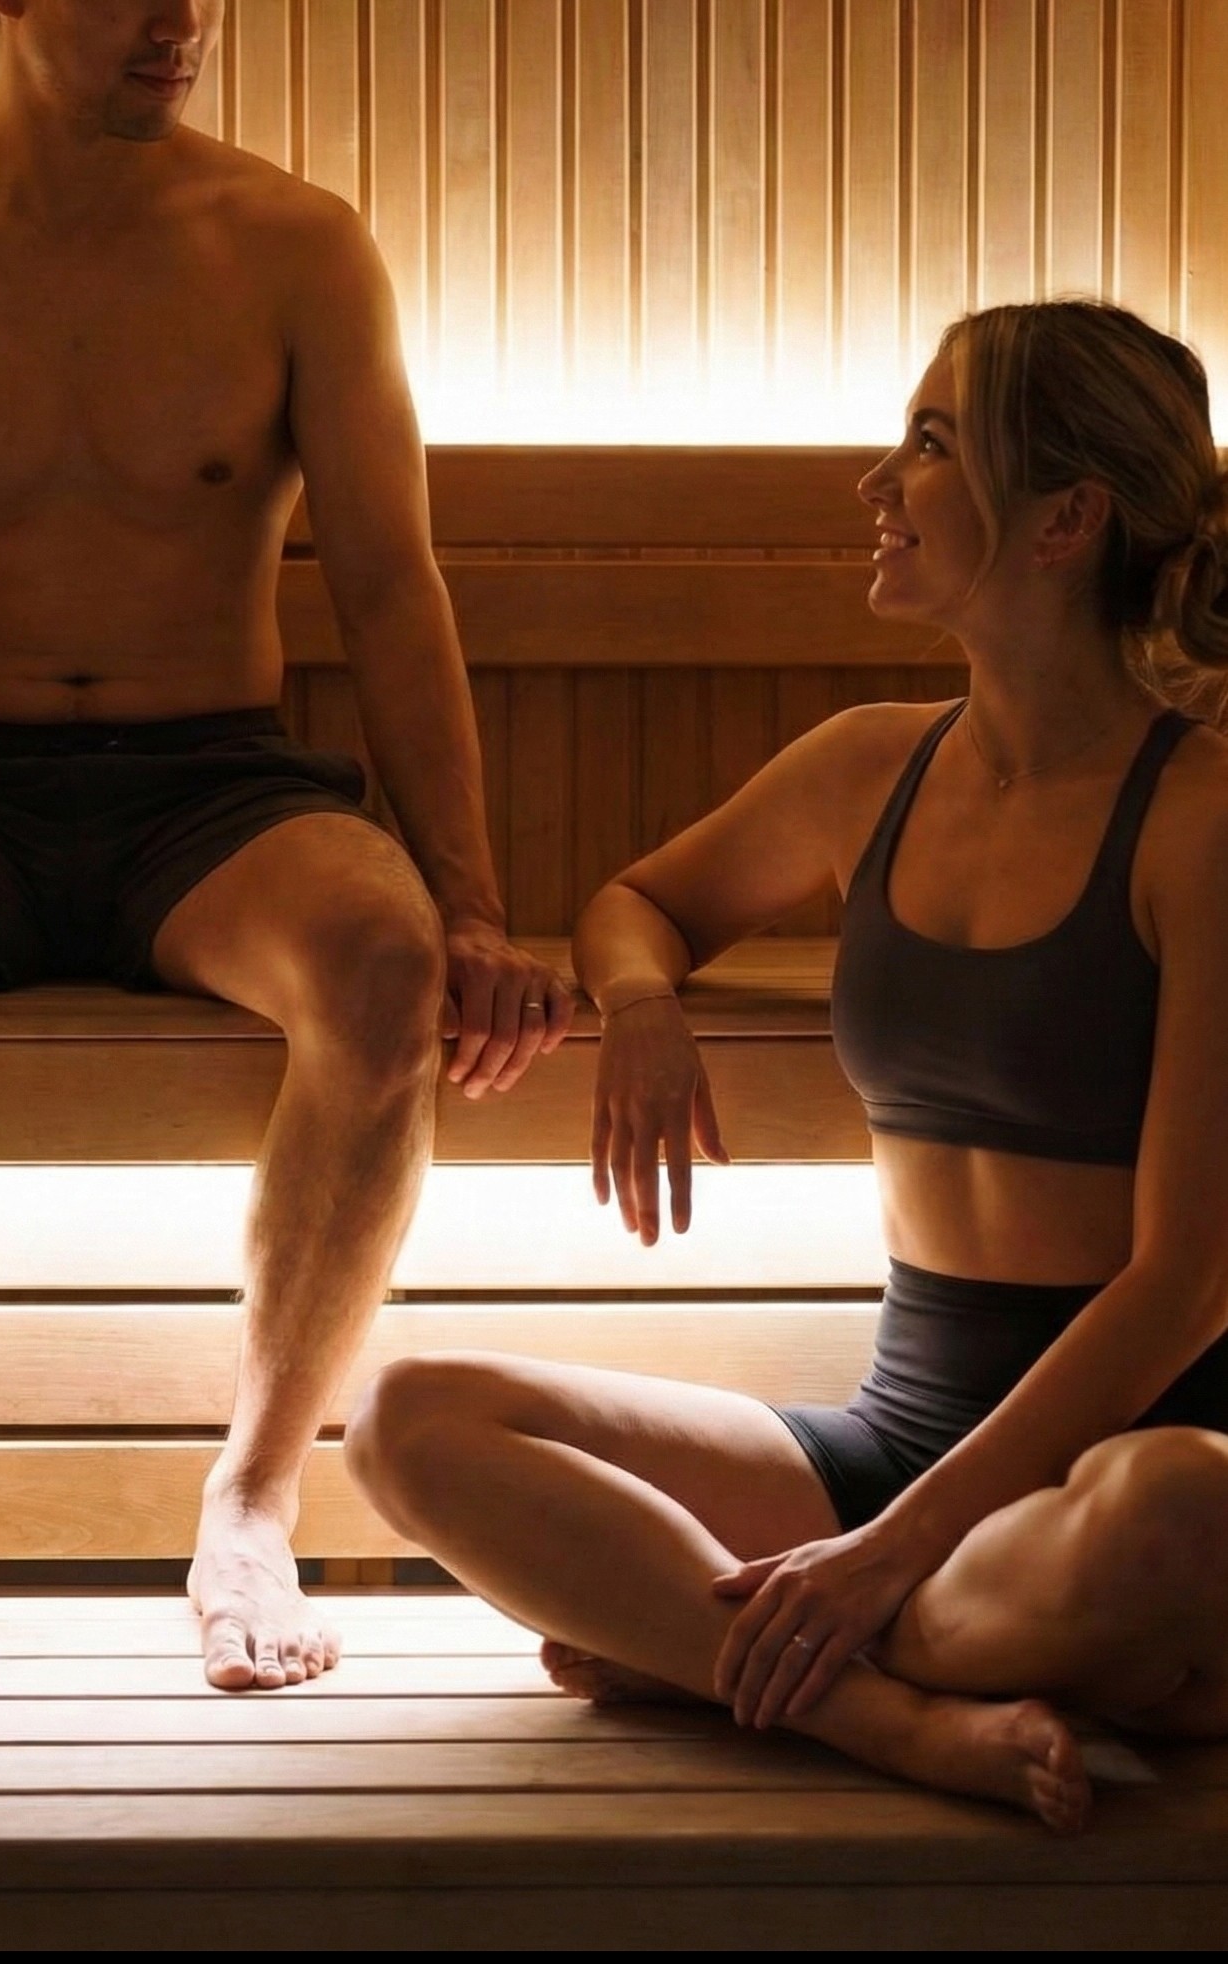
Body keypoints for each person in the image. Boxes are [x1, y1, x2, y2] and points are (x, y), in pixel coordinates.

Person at [0, 0, 574, 1698]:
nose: (185, 21)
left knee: (386, 971)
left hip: (214, 788)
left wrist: (470, 900)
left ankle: (251, 1499)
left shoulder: (298, 251)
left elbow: (393, 591)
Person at [346, 298, 1228, 1833]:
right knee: (411, 1417)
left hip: (1135, 1444)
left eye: (931, 444)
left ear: (1061, 521)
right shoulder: (865, 766)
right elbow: (642, 902)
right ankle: (884, 1715)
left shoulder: (1200, 823)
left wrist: (885, 1551)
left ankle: (710, 1643)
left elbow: (1185, 1285)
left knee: (1183, 1514)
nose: (875, 483)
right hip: (904, 1425)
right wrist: (635, 1008)